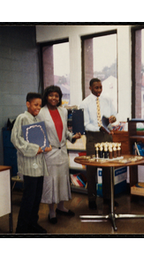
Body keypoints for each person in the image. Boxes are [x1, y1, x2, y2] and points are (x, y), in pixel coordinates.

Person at [38, 85, 81, 224]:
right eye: (51, 95)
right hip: (49, 153)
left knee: (62, 181)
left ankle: (61, 207)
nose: (54, 98)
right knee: (51, 182)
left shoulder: (63, 111)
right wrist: (42, 147)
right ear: (46, 96)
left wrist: (72, 137)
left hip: (62, 152)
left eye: (56, 96)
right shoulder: (41, 112)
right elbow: (38, 133)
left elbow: (63, 131)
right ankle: (51, 212)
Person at [11, 92, 52, 233]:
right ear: (28, 104)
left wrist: (46, 146)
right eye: (35, 105)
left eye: (40, 106)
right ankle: (21, 228)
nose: (38, 108)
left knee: (36, 197)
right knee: (29, 198)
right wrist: (35, 149)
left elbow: (40, 139)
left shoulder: (35, 120)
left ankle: (32, 224)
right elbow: (16, 139)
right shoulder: (22, 118)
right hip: (29, 165)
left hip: (39, 165)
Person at [79, 78, 117, 210]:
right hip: (93, 137)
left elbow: (114, 114)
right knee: (92, 169)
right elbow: (85, 124)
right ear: (90, 88)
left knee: (108, 168)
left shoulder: (107, 100)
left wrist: (113, 118)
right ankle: (92, 199)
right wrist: (98, 128)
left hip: (106, 136)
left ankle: (108, 197)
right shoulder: (84, 103)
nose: (99, 90)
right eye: (96, 88)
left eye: (101, 87)